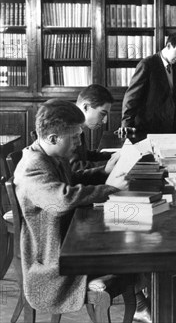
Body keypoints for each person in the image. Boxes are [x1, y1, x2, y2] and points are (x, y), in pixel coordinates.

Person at [13, 99, 131, 314]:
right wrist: (110, 188)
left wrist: (103, 171)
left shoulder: (51, 155)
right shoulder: (32, 167)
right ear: (53, 138)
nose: (79, 142)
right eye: (74, 137)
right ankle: (147, 307)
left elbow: (71, 179)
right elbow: (62, 199)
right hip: (54, 264)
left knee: (129, 246)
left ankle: (146, 306)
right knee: (131, 252)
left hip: (70, 243)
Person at [118, 32, 176, 136]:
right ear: (168, 46)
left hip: (172, 126)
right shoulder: (147, 64)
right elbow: (131, 97)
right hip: (149, 127)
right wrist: (126, 125)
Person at [72, 84, 118, 171]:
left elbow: (85, 155)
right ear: (85, 107)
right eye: (102, 114)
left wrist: (116, 155)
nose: (104, 121)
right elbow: (75, 167)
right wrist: (110, 165)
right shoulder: (67, 128)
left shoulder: (77, 126)